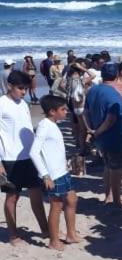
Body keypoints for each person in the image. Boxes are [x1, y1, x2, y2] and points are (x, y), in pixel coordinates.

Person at [1, 72, 48, 244]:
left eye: (26, 89)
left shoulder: (24, 104)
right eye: (21, 88)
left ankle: (45, 229)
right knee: (13, 197)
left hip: (30, 156)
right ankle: (13, 234)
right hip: (10, 158)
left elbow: (29, 130)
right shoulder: (1, 104)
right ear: (9, 85)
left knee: (36, 193)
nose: (24, 92)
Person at [28, 95, 79, 250]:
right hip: (53, 175)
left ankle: (71, 234)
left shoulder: (53, 123)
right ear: (52, 111)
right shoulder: (44, 125)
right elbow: (34, 152)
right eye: (63, 109)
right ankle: (53, 241)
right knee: (56, 206)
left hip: (62, 172)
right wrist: (45, 175)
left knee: (72, 199)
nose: (66, 112)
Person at [85, 65, 122, 208]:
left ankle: (109, 195)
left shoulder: (92, 90)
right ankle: (116, 201)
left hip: (101, 137)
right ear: (117, 75)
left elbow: (85, 112)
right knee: (116, 169)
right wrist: (98, 131)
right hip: (114, 136)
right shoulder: (114, 93)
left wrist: (91, 129)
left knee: (108, 166)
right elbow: (112, 118)